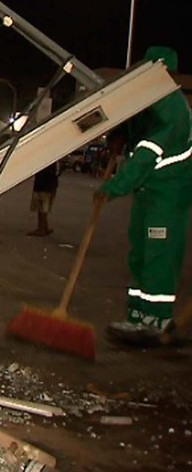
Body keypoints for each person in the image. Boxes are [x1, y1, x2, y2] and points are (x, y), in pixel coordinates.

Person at [98, 46, 192, 344]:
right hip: (149, 192)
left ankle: (156, 320)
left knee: (158, 255)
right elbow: (136, 129)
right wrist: (118, 135)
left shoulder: (172, 107)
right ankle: (137, 315)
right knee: (140, 253)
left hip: (167, 193)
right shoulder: (153, 100)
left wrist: (115, 186)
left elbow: (146, 154)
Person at [26, 162, 59, 236]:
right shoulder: (53, 160)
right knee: (45, 207)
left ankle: (41, 228)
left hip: (43, 184)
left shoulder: (44, 161)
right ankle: (44, 227)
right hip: (51, 184)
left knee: (41, 207)